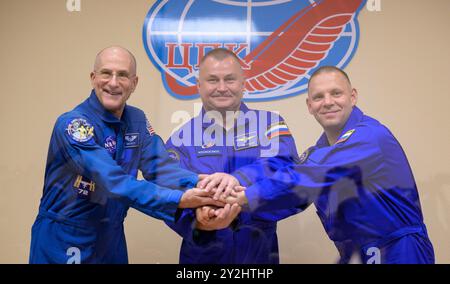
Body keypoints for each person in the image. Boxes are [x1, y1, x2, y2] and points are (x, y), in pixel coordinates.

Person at [29, 46, 223, 264]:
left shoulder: (136, 120)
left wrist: (202, 184)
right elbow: (114, 183)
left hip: (111, 237)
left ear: (134, 83)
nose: (113, 82)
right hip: (65, 238)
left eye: (122, 75)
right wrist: (180, 199)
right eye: (106, 73)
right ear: (93, 78)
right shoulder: (74, 125)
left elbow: (161, 170)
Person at [225, 66, 435, 264]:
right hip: (355, 253)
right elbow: (292, 196)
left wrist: (245, 197)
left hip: (399, 250)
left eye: (336, 93)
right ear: (309, 105)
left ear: (352, 97)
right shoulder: (318, 153)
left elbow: (306, 177)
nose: (327, 102)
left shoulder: (370, 136)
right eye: (318, 97)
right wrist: (234, 209)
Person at [165, 48, 301, 264]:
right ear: (199, 86)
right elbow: (168, 191)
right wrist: (199, 222)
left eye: (229, 79)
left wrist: (240, 182)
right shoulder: (181, 138)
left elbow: (286, 169)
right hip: (201, 258)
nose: (221, 88)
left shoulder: (270, 124)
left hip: (258, 257)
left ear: (243, 83)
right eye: (212, 80)